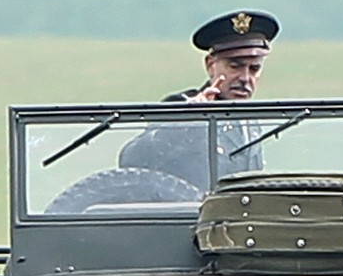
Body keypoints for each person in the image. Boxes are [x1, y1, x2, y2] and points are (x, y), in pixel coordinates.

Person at [119, 10, 279, 189]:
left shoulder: (249, 120)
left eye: (254, 69)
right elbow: (133, 158)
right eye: (235, 66)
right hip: (192, 212)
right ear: (211, 65)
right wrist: (189, 121)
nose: (245, 78)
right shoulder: (182, 107)